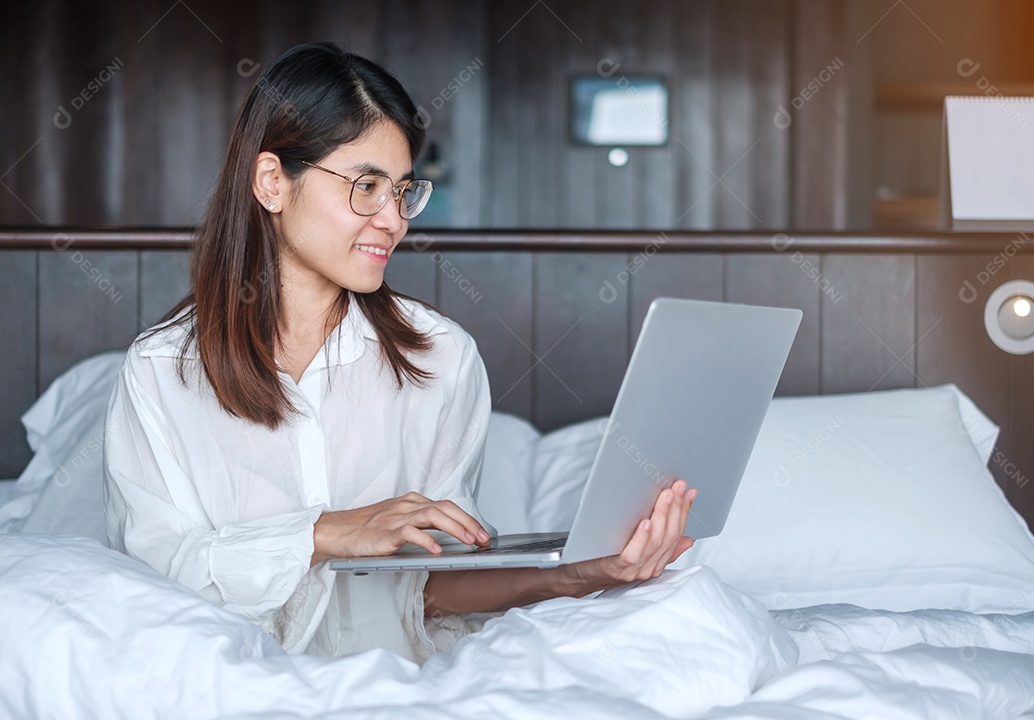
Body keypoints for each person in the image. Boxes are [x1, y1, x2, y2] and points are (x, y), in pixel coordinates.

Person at [103, 41, 696, 663]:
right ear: (273, 181)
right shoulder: (161, 372)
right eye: (366, 186)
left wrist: (583, 572)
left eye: (404, 190)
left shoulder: (443, 359)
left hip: (399, 688)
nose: (394, 219)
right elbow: (155, 583)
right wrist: (326, 534)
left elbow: (429, 587)